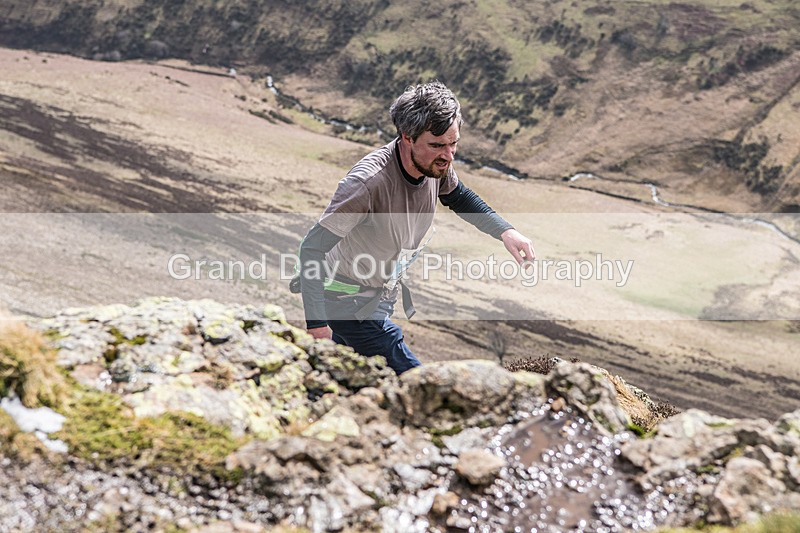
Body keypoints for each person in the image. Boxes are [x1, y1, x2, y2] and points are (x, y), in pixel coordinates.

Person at [299, 81, 535, 374]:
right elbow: (312, 250)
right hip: (344, 300)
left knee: (352, 379)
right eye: (437, 145)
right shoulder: (367, 184)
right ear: (407, 137)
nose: (449, 155)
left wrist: (505, 231)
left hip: (379, 297)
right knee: (415, 377)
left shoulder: (434, 165)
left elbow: (458, 196)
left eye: (454, 143)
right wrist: (317, 326)